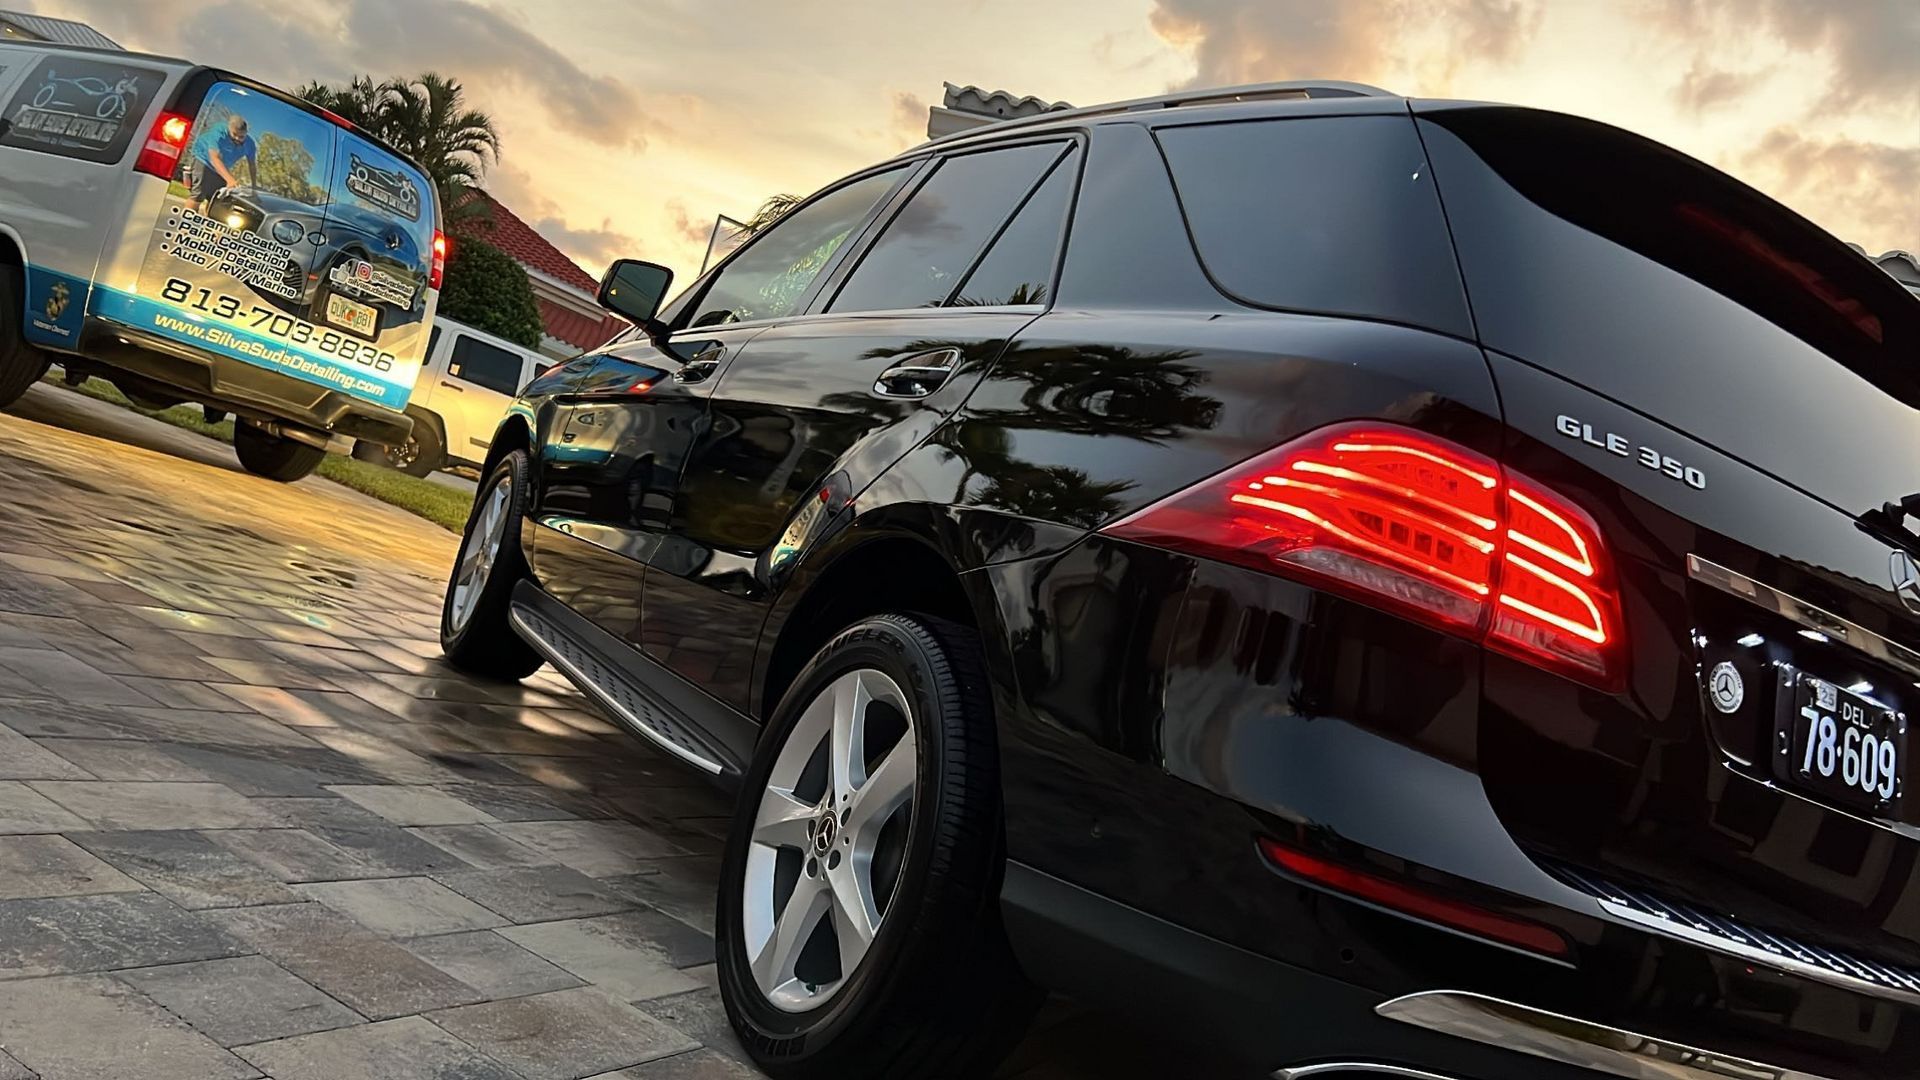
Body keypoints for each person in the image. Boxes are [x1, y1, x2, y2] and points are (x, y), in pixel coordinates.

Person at [193, 114, 258, 214]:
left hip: (223, 165)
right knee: (198, 194)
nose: (237, 138)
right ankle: (186, 223)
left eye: (241, 136)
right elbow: (214, 157)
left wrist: (254, 186)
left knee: (219, 199)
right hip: (204, 159)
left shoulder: (250, 144)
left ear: (246, 133)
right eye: (234, 135)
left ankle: (209, 221)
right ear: (229, 129)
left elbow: (252, 166)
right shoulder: (218, 131)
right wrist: (230, 180)